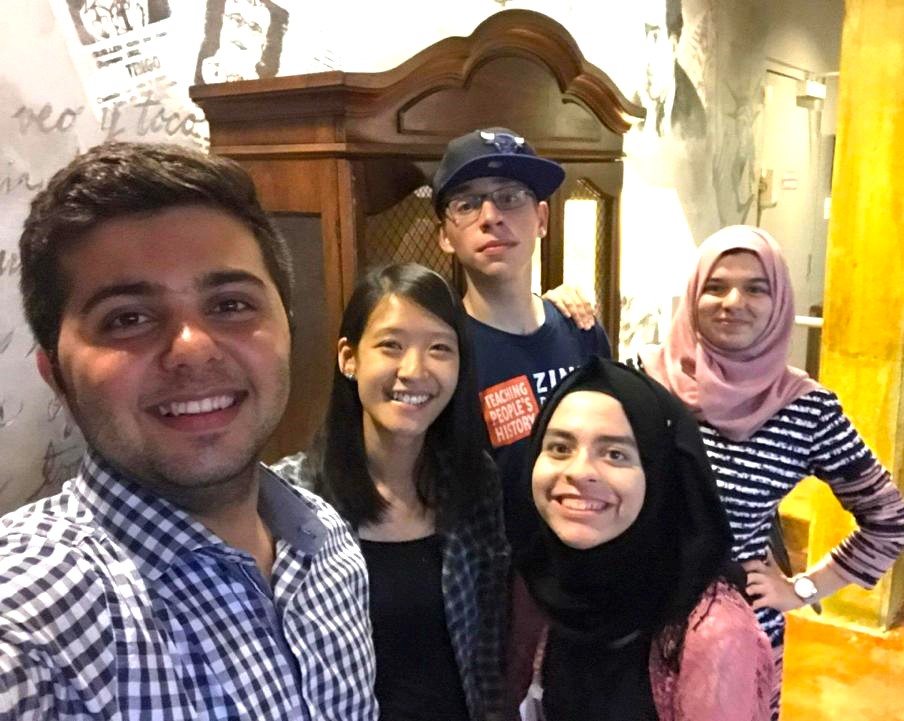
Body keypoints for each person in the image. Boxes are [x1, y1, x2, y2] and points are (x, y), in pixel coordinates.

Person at [1, 142, 377, 720]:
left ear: (288, 331)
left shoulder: (325, 542)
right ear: (57, 375)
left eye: (230, 305)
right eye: (128, 318)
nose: (193, 349)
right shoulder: (35, 618)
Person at [640, 225, 904, 718]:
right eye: (716, 286)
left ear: (779, 301)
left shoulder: (806, 409)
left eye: (756, 288)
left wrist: (804, 588)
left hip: (734, 642)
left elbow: (889, 520)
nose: (732, 302)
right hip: (634, 622)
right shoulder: (645, 383)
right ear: (693, 294)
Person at [273, 263, 509, 721]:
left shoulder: (473, 483)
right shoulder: (289, 498)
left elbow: (489, 648)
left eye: (439, 348)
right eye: (391, 345)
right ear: (349, 358)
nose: (414, 370)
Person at [508, 356, 773, 721]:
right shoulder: (538, 584)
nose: (579, 471)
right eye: (560, 448)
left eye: (615, 454)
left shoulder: (709, 632)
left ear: (657, 474)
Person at [434, 127, 612, 553]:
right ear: (444, 236)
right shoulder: (442, 352)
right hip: (487, 572)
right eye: (467, 203)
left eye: (510, 197)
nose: (491, 216)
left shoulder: (582, 330)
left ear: (542, 219)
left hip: (583, 563)